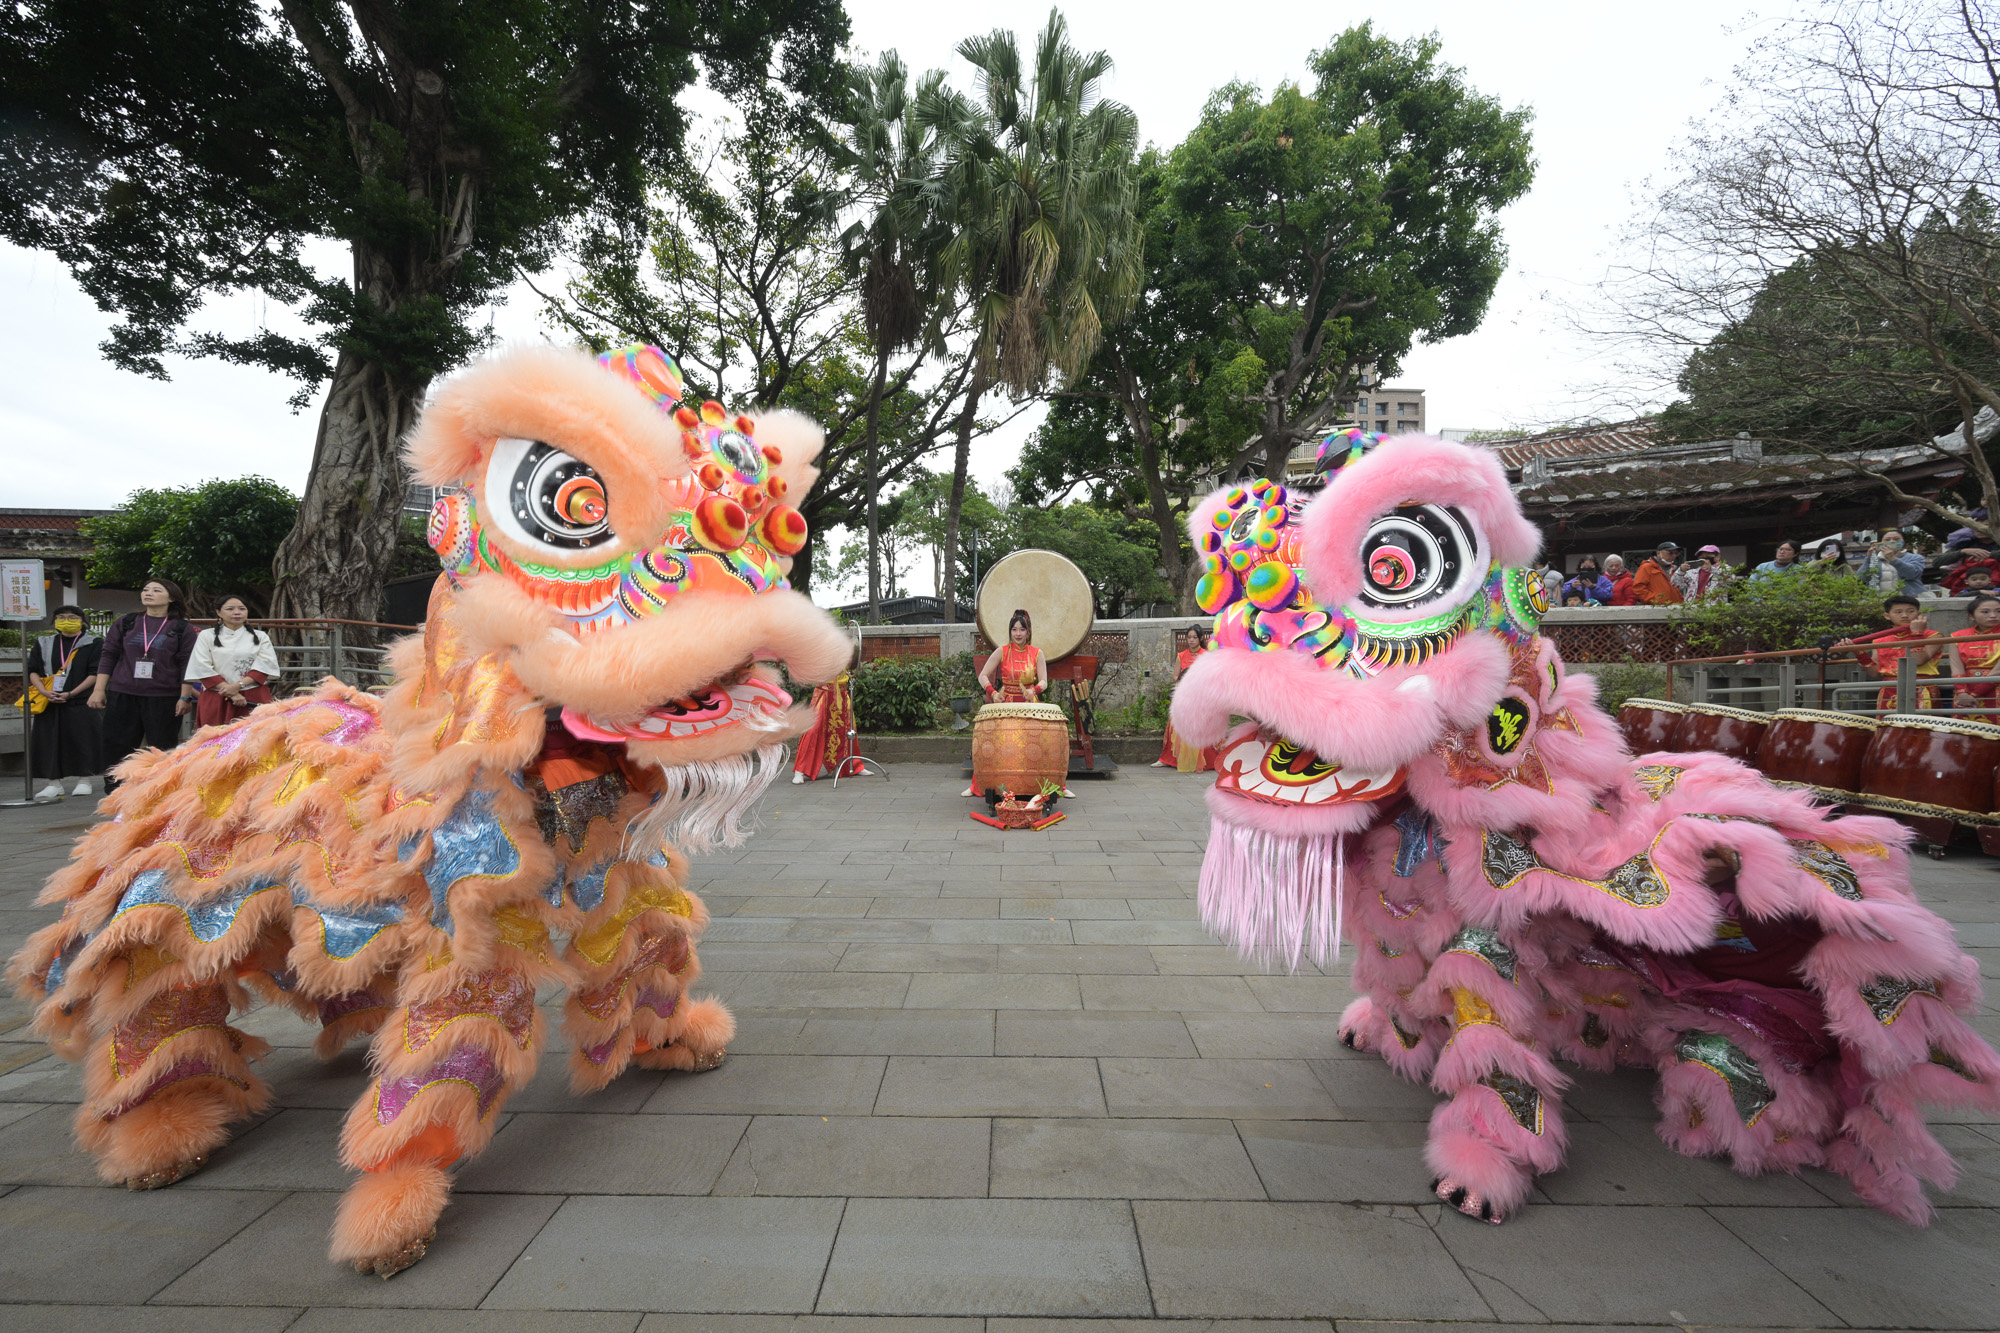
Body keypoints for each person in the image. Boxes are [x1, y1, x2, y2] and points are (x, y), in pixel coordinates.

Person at [89, 577, 196, 787]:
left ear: (172, 598)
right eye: (146, 589)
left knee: (161, 747)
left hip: (163, 696)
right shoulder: (127, 621)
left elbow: (188, 663)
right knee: (117, 745)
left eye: (157, 590)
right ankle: (115, 792)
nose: (148, 593)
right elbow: (109, 654)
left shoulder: (182, 628)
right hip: (123, 693)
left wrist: (185, 696)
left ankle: (158, 791)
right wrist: (99, 689)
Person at [25, 605, 104, 802]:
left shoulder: (93, 643)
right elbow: (33, 670)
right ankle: (53, 783)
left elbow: (96, 672)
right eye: (60, 617)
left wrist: (72, 693)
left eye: (71, 617)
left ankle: (84, 780)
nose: (65, 620)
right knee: (49, 741)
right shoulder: (44, 642)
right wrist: (44, 691)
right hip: (49, 701)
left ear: (81, 620)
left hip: (80, 700)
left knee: (83, 739)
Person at [1835, 594, 1943, 711]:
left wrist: (1917, 634)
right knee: (1887, 727)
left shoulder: (1933, 636)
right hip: (1889, 689)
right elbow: (1875, 672)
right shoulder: (1880, 641)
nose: (1905, 615)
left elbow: (1918, 660)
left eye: (1911, 611)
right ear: (1887, 616)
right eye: (1898, 612)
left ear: (1919, 614)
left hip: (1922, 687)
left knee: (1920, 727)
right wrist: (1859, 653)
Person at [187, 596, 282, 728]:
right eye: (230, 609)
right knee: (214, 740)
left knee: (256, 739)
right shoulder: (206, 635)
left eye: (242, 609)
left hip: (252, 695)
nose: (237, 612)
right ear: (219, 612)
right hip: (217, 695)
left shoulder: (261, 636)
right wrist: (230, 690)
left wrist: (238, 686)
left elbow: (265, 665)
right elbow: (201, 666)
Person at [1155, 627, 1215, 771]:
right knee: (1174, 729)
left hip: (1201, 698)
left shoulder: (1206, 655)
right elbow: (1176, 677)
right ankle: (1168, 759)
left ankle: (1206, 761)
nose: (1191, 640)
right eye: (1189, 637)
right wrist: (1183, 679)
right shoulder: (1181, 655)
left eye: (1194, 637)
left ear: (1200, 638)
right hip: (1184, 697)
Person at [790, 666, 859, 783]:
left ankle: (852, 765)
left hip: (842, 691)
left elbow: (852, 664)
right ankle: (800, 770)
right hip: (824, 693)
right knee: (813, 729)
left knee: (848, 728)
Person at [978, 608, 1047, 703]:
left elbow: (1044, 681)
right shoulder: (1001, 651)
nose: (1018, 634)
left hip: (1030, 703)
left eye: (1022, 630)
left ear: (1028, 633)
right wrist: (994, 693)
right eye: (1014, 630)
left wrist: (1033, 691)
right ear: (1010, 632)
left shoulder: (1038, 653)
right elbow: (982, 676)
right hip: (1007, 703)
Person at [1950, 593, 2000, 722]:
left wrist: (1974, 694)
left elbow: (1998, 670)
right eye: (1985, 612)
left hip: (1995, 686)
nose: (1993, 615)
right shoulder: (1958, 636)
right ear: (1971, 616)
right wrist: (1962, 692)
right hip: (1966, 687)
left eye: (1998, 611)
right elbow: (1956, 667)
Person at [1860, 530, 1926, 597]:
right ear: (1880, 543)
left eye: (1897, 539)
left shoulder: (1915, 558)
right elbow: (1861, 579)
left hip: (1908, 600)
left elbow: (1911, 574)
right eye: (1887, 540)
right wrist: (1869, 559)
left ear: (1903, 542)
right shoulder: (1876, 559)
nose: (1891, 541)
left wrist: (1893, 559)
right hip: (1880, 601)